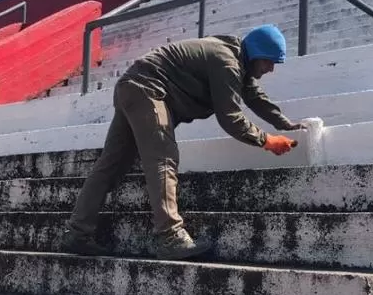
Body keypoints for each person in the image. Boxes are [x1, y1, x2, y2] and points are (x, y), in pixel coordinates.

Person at [62, 24, 304, 261]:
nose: (271, 69)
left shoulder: (237, 60)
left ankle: (77, 233)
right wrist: (267, 141)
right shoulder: (227, 61)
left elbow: (254, 95)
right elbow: (230, 118)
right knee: (163, 159)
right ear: (256, 54)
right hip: (148, 88)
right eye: (268, 62)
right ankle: (170, 237)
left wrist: (284, 124)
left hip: (133, 86)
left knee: (111, 166)